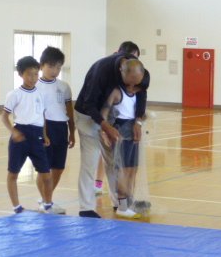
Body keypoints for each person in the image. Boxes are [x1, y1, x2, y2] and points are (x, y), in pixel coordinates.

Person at [74, 42, 146, 218]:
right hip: (87, 115)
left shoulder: (137, 70)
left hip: (111, 118)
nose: (131, 88)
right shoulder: (102, 70)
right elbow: (89, 104)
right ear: (122, 70)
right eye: (129, 83)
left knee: (114, 162)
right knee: (90, 161)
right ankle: (86, 207)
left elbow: (142, 92)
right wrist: (104, 127)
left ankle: (119, 204)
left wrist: (138, 122)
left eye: (135, 84)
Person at [1, 56, 56, 214]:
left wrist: (44, 135)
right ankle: (17, 207)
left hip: (37, 136)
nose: (33, 78)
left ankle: (48, 204)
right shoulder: (14, 94)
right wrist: (14, 132)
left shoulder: (40, 94)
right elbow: (4, 117)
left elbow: (42, 115)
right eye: (29, 74)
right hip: (21, 136)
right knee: (13, 173)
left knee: (46, 174)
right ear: (20, 74)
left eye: (35, 74)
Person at [99, 59, 149, 219]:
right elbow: (104, 114)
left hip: (133, 134)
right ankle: (122, 205)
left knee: (132, 169)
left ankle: (128, 201)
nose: (133, 85)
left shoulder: (138, 93)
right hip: (120, 133)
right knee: (121, 170)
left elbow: (138, 112)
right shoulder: (116, 92)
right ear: (124, 74)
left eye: (137, 82)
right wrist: (104, 132)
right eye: (131, 81)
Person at [36, 46, 75, 214]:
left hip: (61, 128)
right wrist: (42, 133)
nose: (55, 70)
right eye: (51, 66)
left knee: (58, 168)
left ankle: (46, 199)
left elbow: (69, 111)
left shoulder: (64, 86)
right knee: (44, 169)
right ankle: (47, 202)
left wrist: (72, 131)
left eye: (59, 67)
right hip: (44, 128)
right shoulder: (36, 86)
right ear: (42, 65)